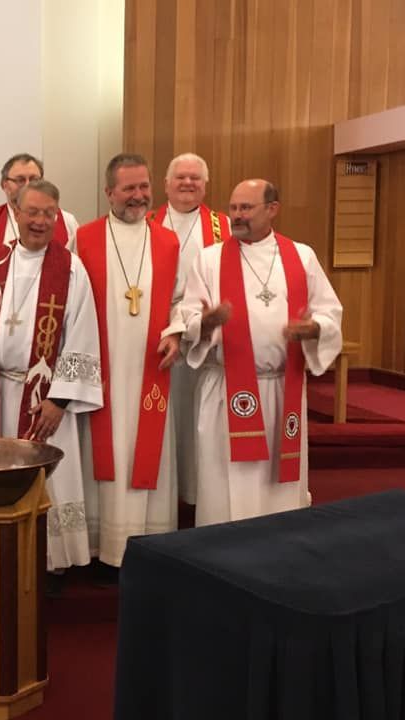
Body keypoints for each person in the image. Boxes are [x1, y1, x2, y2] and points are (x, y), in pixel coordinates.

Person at [0, 180, 102, 595]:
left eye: (49, 213)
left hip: (45, 400)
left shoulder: (70, 269)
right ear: (15, 212)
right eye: (33, 212)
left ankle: (48, 562)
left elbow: (82, 336)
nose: (41, 221)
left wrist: (58, 399)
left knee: (48, 478)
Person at [181, 179, 343, 526]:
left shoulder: (302, 256)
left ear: (272, 209)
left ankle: (278, 552)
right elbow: (187, 318)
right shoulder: (209, 260)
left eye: (245, 208)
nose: (236, 216)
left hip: (283, 390)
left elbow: (331, 313)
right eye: (233, 208)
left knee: (278, 489)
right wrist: (207, 323)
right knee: (226, 486)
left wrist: (314, 329)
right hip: (226, 393)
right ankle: (221, 553)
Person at [75, 153, 184, 585]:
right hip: (100, 372)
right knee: (105, 454)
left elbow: (181, 300)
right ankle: (104, 546)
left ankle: (148, 546)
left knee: (146, 451)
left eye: (144, 187)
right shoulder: (83, 239)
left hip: (150, 369)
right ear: (108, 193)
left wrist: (177, 331)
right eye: (128, 189)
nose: (139, 196)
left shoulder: (168, 242)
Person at [148, 153, 231, 506]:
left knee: (199, 418)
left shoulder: (224, 227)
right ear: (166, 185)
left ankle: (198, 492)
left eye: (195, 178)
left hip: (203, 339)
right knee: (165, 419)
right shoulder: (147, 223)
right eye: (180, 177)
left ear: (205, 184)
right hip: (157, 333)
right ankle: (164, 493)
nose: (187, 183)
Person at [0, 153, 79, 297]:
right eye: (20, 180)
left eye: (34, 179)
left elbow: (76, 273)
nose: (28, 185)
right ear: (4, 185)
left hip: (51, 306)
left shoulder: (67, 222)